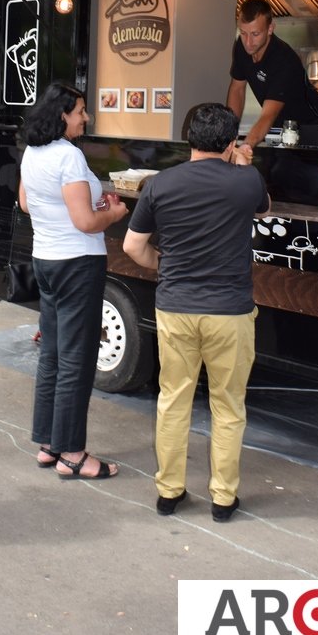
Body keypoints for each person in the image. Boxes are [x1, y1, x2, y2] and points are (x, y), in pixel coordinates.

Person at [122, 103, 271, 522]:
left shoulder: (160, 184)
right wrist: (243, 164)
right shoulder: (247, 180)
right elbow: (265, 208)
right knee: (228, 405)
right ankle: (223, 498)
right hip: (230, 311)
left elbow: (133, 246)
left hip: (176, 308)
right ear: (230, 142)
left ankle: (169, 492)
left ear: (188, 138)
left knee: (173, 400)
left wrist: (162, 265)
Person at [19, 82, 128, 480]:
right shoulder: (68, 155)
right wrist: (113, 214)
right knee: (76, 360)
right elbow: (85, 222)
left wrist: (83, 207)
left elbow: (26, 203)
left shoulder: (33, 151)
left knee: (52, 354)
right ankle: (73, 454)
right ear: (63, 115)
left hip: (46, 259)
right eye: (80, 111)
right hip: (78, 263)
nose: (86, 117)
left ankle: (50, 444)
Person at [226, 0, 318, 150]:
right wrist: (229, 136)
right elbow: (237, 89)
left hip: (317, 128)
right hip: (283, 129)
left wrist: (244, 149)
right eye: (243, 33)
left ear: (270, 29)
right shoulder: (241, 46)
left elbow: (268, 115)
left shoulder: (283, 59)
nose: (248, 42)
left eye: (255, 34)